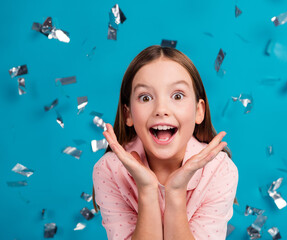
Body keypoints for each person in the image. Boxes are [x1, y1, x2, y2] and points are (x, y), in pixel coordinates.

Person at [92, 45, 238, 240]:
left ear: (199, 111)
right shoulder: (110, 170)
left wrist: (176, 192)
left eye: (177, 96)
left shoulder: (219, 170)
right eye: (145, 97)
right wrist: (146, 190)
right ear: (128, 114)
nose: (161, 109)